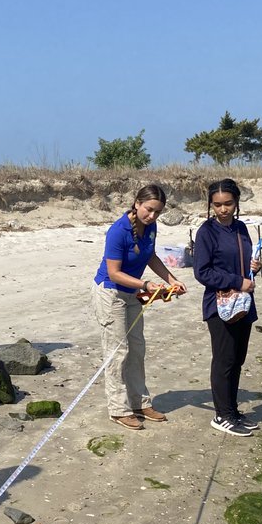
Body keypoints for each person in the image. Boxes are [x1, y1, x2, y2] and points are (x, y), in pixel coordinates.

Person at [91, 183, 186, 430]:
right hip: (110, 294)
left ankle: (140, 402)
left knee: (137, 349)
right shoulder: (118, 231)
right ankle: (119, 409)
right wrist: (145, 284)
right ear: (137, 203)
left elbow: (150, 256)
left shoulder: (151, 227)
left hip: (134, 293)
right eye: (149, 209)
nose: (152, 216)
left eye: (157, 212)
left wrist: (170, 280)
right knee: (117, 352)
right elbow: (114, 273)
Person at [193, 179, 262, 437]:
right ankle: (221, 415)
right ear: (211, 205)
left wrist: (254, 268)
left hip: (244, 303)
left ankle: (232, 411)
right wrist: (237, 281)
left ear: (237, 203)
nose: (223, 209)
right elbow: (202, 272)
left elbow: (243, 260)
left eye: (228, 204)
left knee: (238, 360)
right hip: (219, 305)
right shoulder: (206, 232)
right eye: (218, 205)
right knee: (224, 360)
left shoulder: (241, 227)